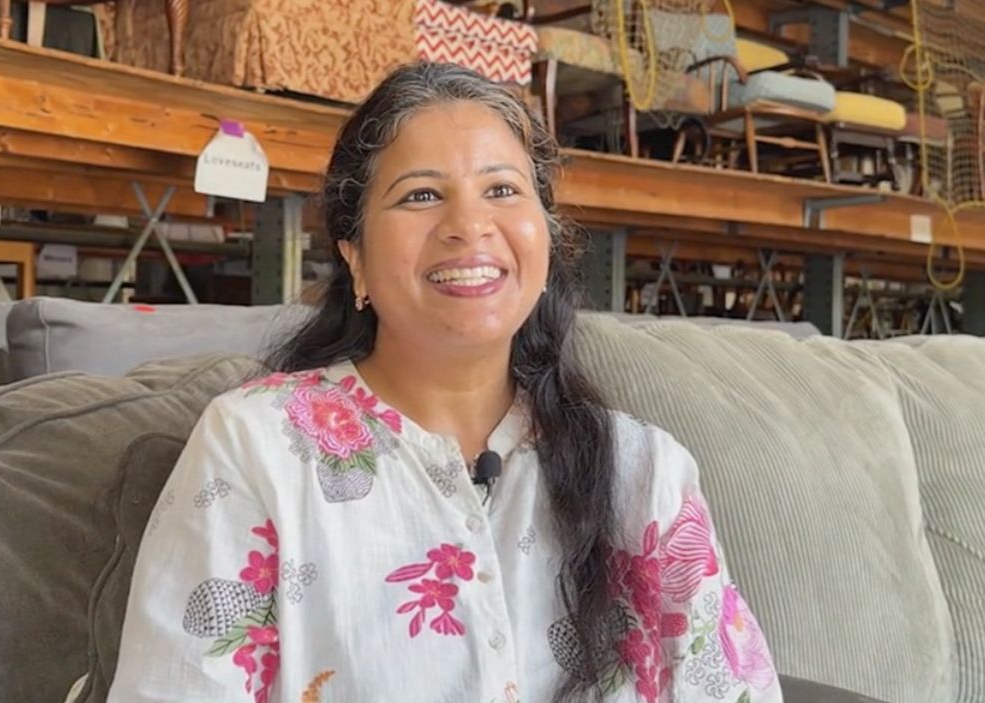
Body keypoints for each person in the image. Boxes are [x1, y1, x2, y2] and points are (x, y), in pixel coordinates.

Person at [108, 62, 781, 703]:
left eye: (502, 190)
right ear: (354, 256)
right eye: (421, 195)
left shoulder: (643, 471)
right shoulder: (257, 447)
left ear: (546, 239)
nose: (469, 226)